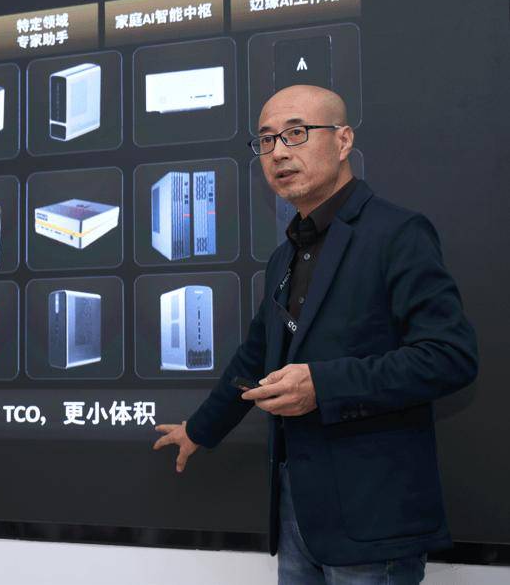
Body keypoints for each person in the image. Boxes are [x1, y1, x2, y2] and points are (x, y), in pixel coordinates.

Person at [152, 85, 478, 584]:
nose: (279, 152)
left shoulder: (397, 233)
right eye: (266, 140)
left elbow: (450, 357)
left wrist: (322, 386)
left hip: (373, 519)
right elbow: (256, 356)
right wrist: (199, 430)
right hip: (296, 511)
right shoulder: (285, 256)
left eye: (297, 133)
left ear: (343, 141)